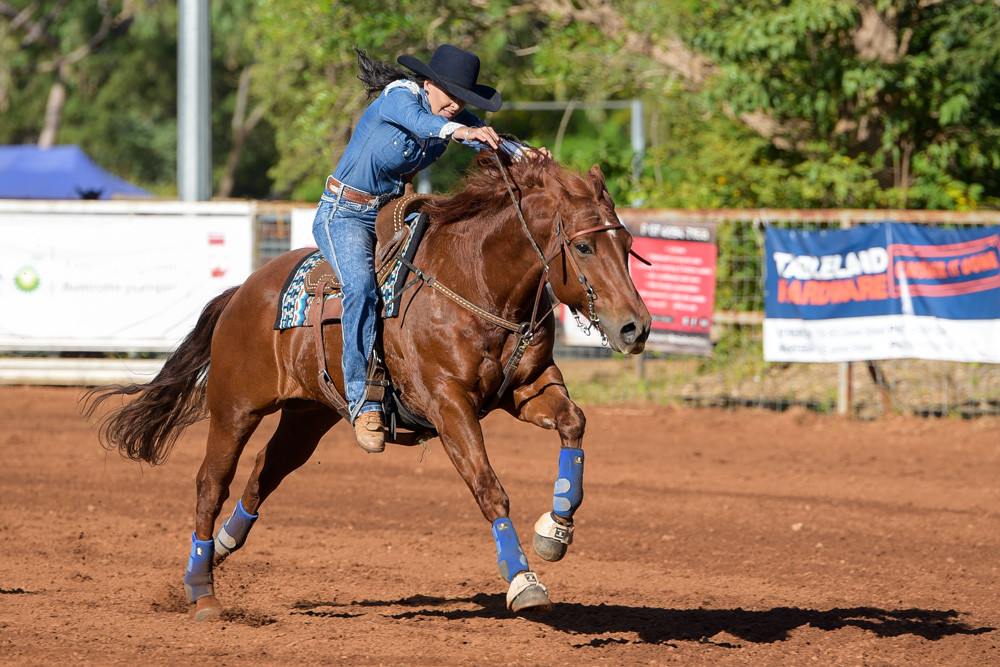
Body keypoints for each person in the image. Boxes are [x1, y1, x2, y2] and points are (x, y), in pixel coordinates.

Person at [312, 44, 509, 454]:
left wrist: (524, 155)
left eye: (464, 101)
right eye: (452, 96)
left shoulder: (448, 115)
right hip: (344, 213)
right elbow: (419, 122)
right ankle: (362, 400)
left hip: (389, 214)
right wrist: (462, 131)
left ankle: (413, 379)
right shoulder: (400, 97)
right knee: (362, 289)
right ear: (429, 83)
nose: (457, 106)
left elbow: (488, 140)